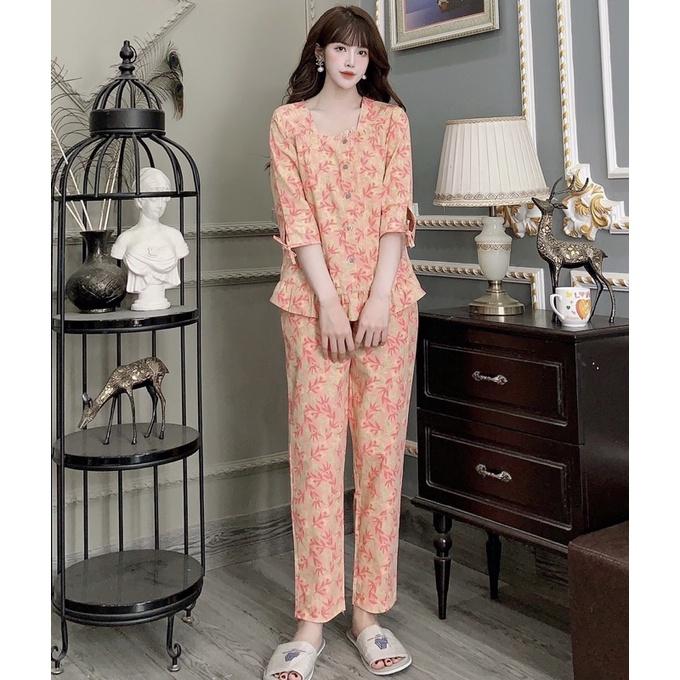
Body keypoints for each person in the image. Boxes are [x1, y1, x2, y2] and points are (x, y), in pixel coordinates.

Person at [263, 6, 426, 679]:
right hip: (312, 308)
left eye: (362, 51)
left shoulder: (391, 122)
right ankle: (312, 620)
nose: (352, 60)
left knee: (383, 459)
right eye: (340, 48)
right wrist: (330, 302)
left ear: (371, 59)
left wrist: (380, 298)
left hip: (390, 306)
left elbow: (394, 212)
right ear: (320, 54)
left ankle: (367, 615)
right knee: (317, 460)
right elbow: (296, 218)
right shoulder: (288, 123)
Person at [111, 167, 189, 311]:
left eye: (164, 200)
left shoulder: (175, 236)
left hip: (162, 304)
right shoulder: (125, 239)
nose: (160, 205)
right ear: (140, 200)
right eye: (154, 199)